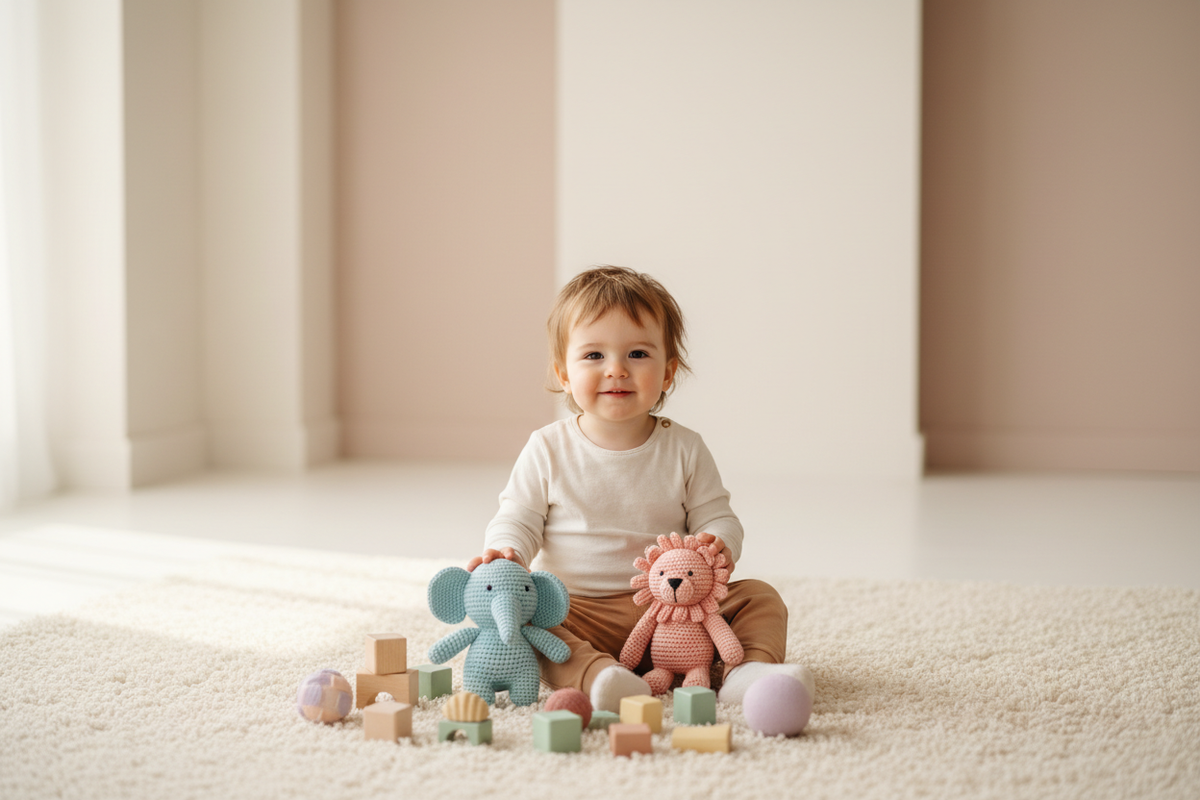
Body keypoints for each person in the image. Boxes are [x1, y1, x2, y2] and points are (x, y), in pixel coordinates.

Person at [471, 266, 812, 716]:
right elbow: (518, 516)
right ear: (563, 372)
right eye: (593, 355)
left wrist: (718, 543)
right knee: (524, 617)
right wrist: (508, 549)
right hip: (577, 609)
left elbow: (718, 516)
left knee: (761, 597)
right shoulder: (548, 447)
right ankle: (600, 677)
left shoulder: (684, 448)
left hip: (677, 613)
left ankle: (745, 673)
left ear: (668, 372)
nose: (616, 370)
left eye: (637, 353)